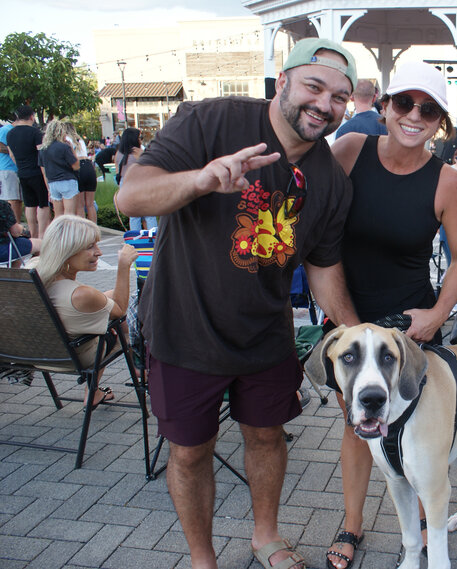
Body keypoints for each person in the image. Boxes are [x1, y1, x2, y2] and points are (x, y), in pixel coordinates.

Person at [115, 37, 361, 569]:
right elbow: (129, 197)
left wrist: (358, 344)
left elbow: (323, 271)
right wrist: (200, 180)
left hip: (265, 333)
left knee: (268, 436)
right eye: (314, 86)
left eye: (340, 96)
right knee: (190, 451)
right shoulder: (212, 121)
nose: (325, 103)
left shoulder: (330, 182)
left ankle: (265, 536)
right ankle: (203, 558)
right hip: (185, 326)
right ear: (284, 83)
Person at [326, 61, 457, 569]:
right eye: (405, 103)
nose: (415, 116)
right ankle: (352, 523)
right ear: (384, 106)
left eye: (428, 109)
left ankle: (429, 528)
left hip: (409, 323)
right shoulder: (350, 150)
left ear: (440, 122)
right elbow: (316, 223)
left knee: (415, 424)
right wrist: (338, 317)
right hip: (347, 309)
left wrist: (435, 314)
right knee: (355, 422)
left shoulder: (447, 181)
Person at [35, 215, 137, 406]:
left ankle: (105, 386)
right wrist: (124, 266)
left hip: (37, 353)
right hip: (76, 356)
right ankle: (137, 371)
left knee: (106, 308)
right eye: (90, 246)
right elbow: (120, 309)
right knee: (121, 323)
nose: (98, 252)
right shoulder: (81, 294)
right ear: (67, 250)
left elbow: (97, 301)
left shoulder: (34, 271)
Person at [6, 105, 51, 238]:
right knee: (43, 204)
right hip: (37, 172)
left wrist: (20, 166)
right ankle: (42, 235)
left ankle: (32, 234)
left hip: (22, 172)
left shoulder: (10, 134)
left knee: (30, 204)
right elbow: (41, 154)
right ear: (32, 117)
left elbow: (11, 155)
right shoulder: (35, 133)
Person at [115, 128, 157, 232]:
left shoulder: (119, 154)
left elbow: (117, 172)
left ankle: (135, 239)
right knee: (149, 213)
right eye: (139, 137)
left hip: (125, 184)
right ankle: (153, 239)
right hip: (139, 183)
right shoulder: (138, 152)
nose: (140, 140)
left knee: (134, 215)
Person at [38, 120, 80, 218]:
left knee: (58, 215)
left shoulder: (43, 149)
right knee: (69, 215)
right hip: (67, 180)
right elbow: (76, 166)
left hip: (52, 183)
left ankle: (58, 233)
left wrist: (48, 188)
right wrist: (72, 149)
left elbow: (43, 171)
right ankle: (69, 233)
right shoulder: (64, 147)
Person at [66, 125, 98, 223]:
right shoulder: (80, 140)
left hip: (78, 167)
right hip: (89, 166)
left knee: (80, 205)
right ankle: (94, 229)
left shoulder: (66, 140)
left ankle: (83, 232)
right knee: (90, 204)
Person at [0, 198, 40, 266]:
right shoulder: (2, 205)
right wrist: (21, 228)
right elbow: (15, 232)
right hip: (3, 249)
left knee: (18, 246)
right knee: (42, 244)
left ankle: (13, 274)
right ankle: (39, 274)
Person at [0, 119, 23, 223]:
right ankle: (12, 227)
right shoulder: (5, 130)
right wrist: (14, 150)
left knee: (18, 200)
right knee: (12, 199)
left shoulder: (20, 131)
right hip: (7, 168)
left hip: (18, 169)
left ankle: (17, 225)